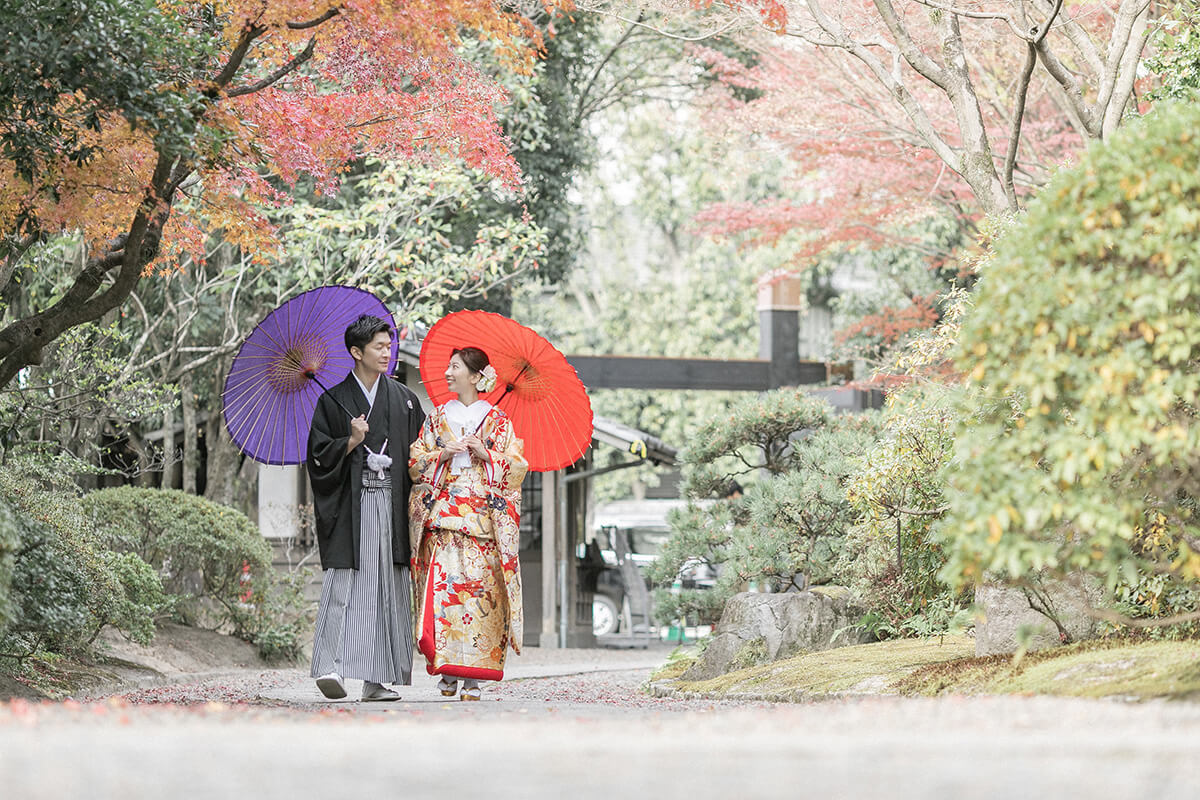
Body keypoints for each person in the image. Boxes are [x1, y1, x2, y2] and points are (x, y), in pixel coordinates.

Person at [306, 314, 425, 702]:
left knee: (387, 589)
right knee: (345, 583)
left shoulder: (405, 400)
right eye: (379, 347)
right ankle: (329, 666)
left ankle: (377, 679)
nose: (387, 353)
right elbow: (319, 458)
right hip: (351, 506)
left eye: (389, 346)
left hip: (391, 505)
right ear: (356, 352)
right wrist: (351, 442)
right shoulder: (332, 400)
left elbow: (423, 452)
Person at [408, 346, 527, 701]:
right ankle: (446, 670)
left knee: (479, 598)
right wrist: (442, 454)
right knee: (444, 597)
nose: (448, 372)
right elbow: (416, 463)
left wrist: (486, 454)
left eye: (455, 367)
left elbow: (517, 469)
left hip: (483, 521)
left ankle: (473, 677)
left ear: (475, 377)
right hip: (444, 517)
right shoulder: (435, 418)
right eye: (448, 366)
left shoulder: (499, 420)